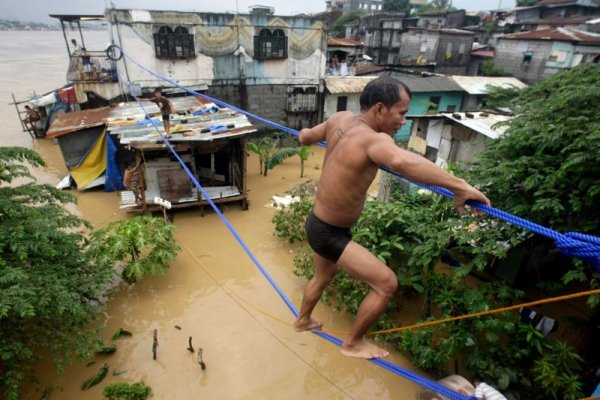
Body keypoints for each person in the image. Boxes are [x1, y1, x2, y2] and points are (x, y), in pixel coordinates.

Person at [293, 76, 491, 359]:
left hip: (316, 222)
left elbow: (306, 137)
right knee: (386, 284)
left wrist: (302, 134)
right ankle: (353, 343)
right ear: (379, 109)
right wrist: (460, 186)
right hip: (330, 234)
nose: (404, 120)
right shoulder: (375, 140)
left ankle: (303, 320)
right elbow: (401, 161)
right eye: (401, 113)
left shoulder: (340, 119)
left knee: (322, 277)